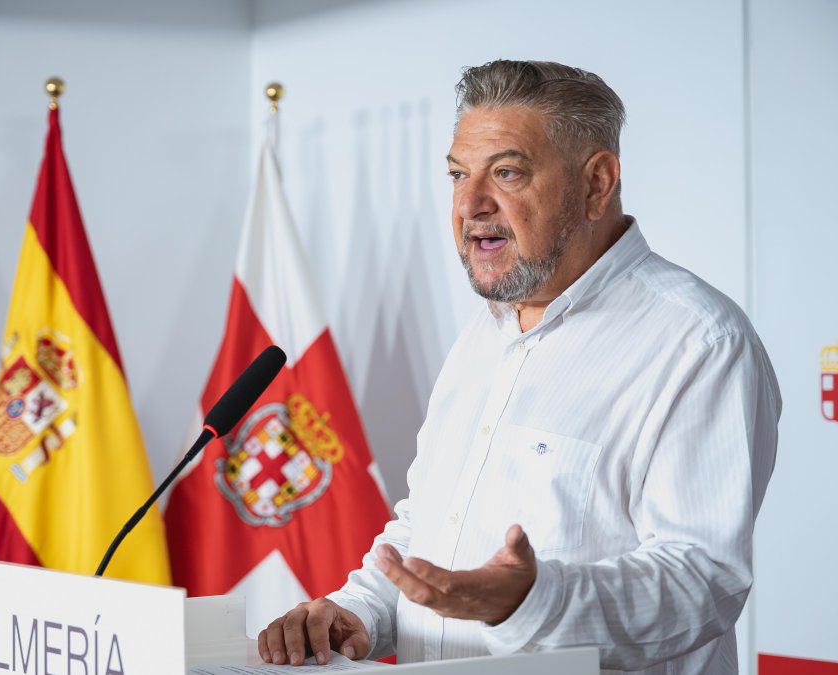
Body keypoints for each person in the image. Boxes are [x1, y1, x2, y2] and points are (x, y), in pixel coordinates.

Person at [257, 60, 780, 674]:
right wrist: (359, 613)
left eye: (506, 172)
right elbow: (426, 531)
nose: (471, 204)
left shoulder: (698, 342)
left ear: (597, 183)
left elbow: (702, 579)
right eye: (458, 174)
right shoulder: (485, 336)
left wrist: (535, 603)